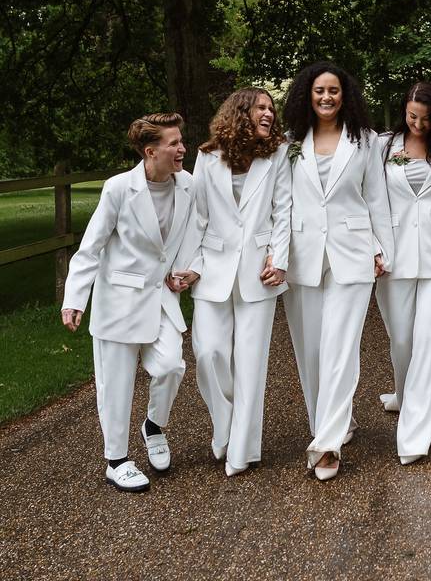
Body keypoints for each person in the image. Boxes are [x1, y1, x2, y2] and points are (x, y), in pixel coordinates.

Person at [60, 113, 198, 492]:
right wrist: (75, 299)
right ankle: (116, 460)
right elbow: (91, 248)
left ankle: (154, 425)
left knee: (171, 366)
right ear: (151, 151)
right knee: (115, 385)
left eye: (181, 141)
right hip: (118, 302)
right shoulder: (119, 188)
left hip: (161, 300)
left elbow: (195, 233)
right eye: (174, 143)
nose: (183, 148)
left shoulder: (187, 185)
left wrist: (187, 269)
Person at [282, 61, 394, 481]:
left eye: (333, 90)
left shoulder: (364, 140)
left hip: (353, 252)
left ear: (344, 95)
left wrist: (383, 248)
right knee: (310, 349)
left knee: (340, 348)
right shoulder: (289, 141)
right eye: (318, 91)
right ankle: (330, 424)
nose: (326, 97)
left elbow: (376, 198)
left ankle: (326, 445)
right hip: (302, 255)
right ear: (306, 96)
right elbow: (279, 202)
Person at [185, 88, 291, 476]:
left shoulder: (278, 155)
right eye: (261, 107)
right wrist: (193, 263)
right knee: (209, 354)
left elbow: (285, 210)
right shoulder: (208, 156)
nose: (269, 114)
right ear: (241, 112)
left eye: (271, 109)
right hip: (212, 268)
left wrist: (279, 260)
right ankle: (225, 425)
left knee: (250, 364)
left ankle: (242, 450)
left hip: (259, 273)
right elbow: (197, 216)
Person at [374, 82, 431, 464]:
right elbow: (368, 197)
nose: (418, 125)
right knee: (403, 340)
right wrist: (374, 246)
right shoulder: (382, 147)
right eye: (412, 117)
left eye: (425, 118)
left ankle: (414, 432)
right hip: (394, 256)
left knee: (429, 340)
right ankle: (406, 399)